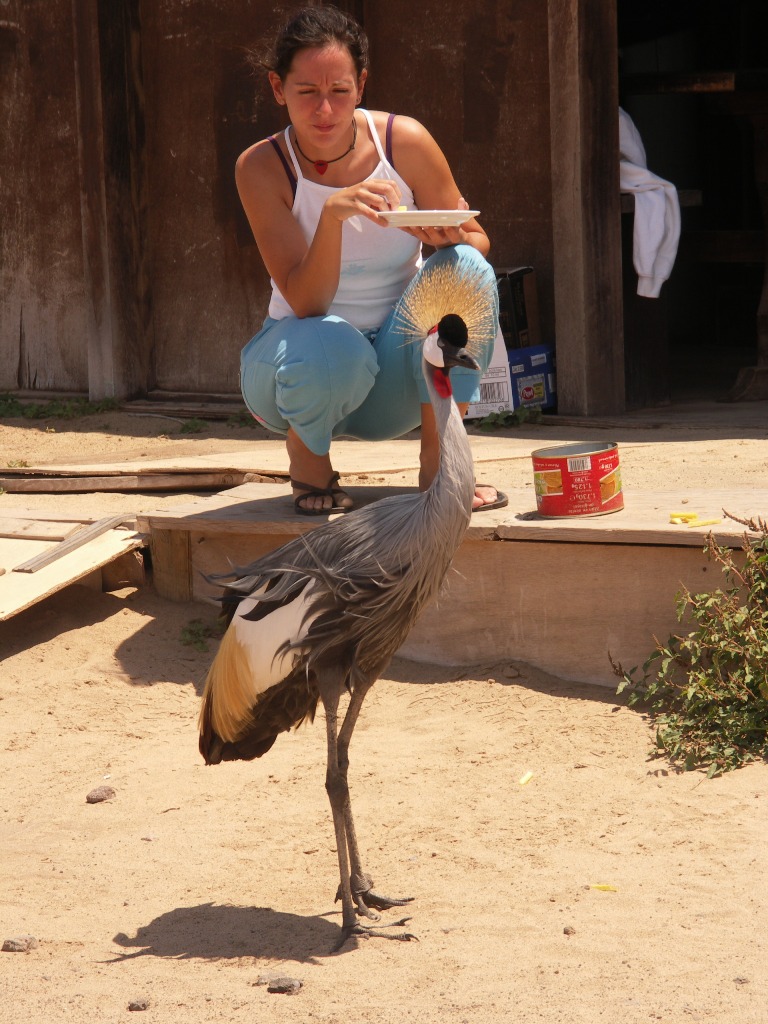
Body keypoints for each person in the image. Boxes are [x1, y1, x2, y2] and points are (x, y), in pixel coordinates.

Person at [236, 3, 506, 514]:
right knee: (332, 341)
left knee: (468, 271)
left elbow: (478, 242)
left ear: (361, 85)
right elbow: (307, 300)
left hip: (394, 376)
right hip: (295, 374)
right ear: (277, 89)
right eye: (306, 93)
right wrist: (332, 220)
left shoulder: (403, 141)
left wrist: (449, 238)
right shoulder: (262, 166)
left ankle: (440, 464)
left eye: (339, 92)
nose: (325, 112)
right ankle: (309, 461)